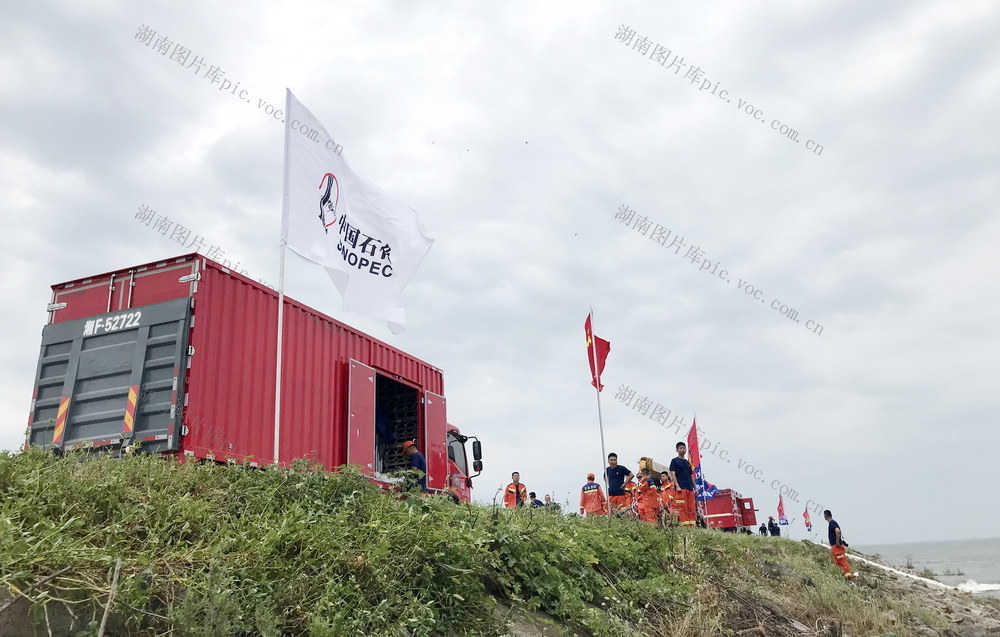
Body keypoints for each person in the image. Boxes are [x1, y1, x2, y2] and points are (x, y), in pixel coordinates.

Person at [668, 442, 697, 527]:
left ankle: (692, 526)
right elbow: (673, 473)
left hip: (690, 488)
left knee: (691, 508)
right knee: (682, 508)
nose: (682, 450)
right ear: (677, 450)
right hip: (681, 489)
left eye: (684, 448)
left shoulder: (687, 463)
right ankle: (685, 526)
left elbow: (691, 476)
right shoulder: (674, 461)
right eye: (680, 448)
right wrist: (677, 485)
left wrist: (695, 488)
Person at [824, 510, 853, 580]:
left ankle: (848, 576)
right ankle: (843, 576)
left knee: (841, 561)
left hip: (837, 546)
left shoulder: (832, 523)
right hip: (835, 546)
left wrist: (837, 542)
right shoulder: (833, 523)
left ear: (825, 516)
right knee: (837, 561)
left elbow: (838, 531)